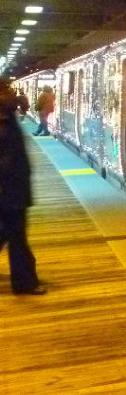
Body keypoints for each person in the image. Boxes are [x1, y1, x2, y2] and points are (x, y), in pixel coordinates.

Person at [0, 77, 45, 295]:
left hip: (13, 188)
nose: (11, 93)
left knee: (10, 234)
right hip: (8, 189)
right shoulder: (2, 120)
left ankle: (25, 280)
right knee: (17, 237)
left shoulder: (7, 116)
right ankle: (25, 282)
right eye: (6, 89)